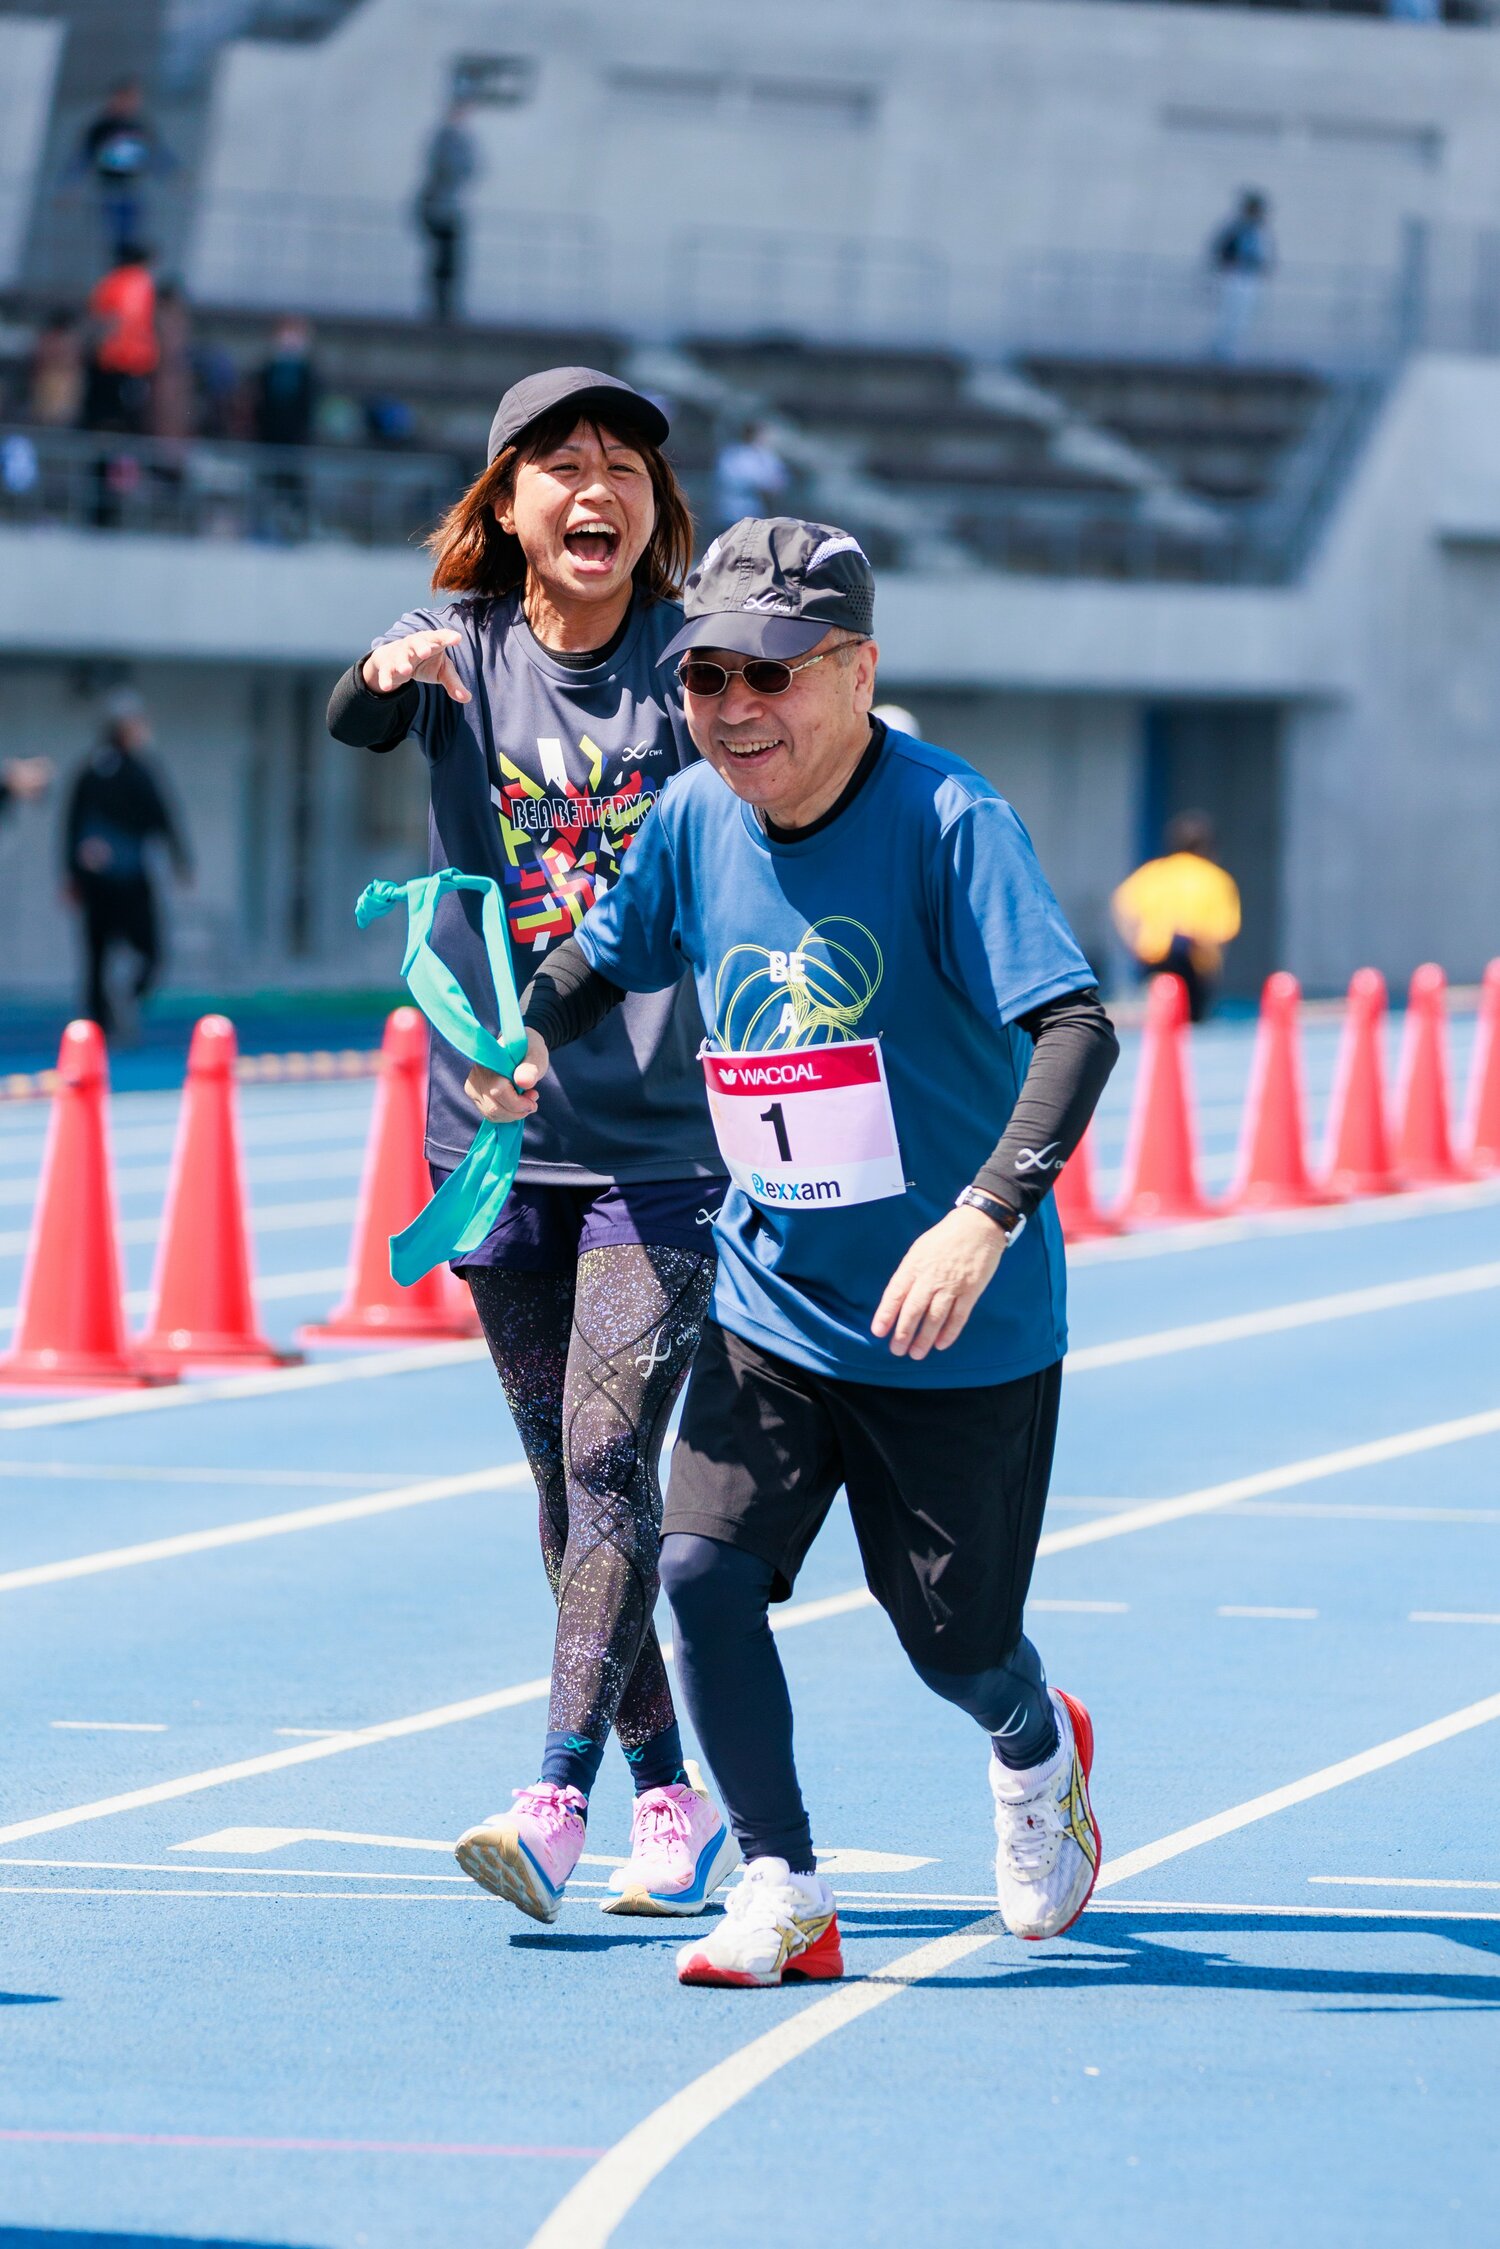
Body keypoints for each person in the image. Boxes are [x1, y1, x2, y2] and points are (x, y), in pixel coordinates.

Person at [465, 518, 1120, 1987]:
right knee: (699, 1570)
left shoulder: (951, 821)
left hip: (953, 1321)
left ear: (858, 671)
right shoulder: (694, 817)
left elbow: (1076, 1028)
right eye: (705, 676)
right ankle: (782, 1882)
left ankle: (1035, 1741)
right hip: (774, 1296)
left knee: (954, 1644)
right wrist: (528, 1032)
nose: (734, 706)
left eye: (771, 673)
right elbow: (603, 952)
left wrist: (982, 1215)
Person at [326, 367, 737, 1924]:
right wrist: (387, 663)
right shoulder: (463, 650)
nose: (595, 488)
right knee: (569, 1491)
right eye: (561, 464)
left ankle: (555, 1798)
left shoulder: (694, 668)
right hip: (495, 1138)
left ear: (654, 506)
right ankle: (672, 1795)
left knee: (610, 1454)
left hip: (663, 1139)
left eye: (623, 465)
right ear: (506, 504)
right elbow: (358, 716)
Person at [63, 689, 191, 1041]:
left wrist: (72, 873)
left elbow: (161, 816)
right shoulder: (108, 770)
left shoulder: (130, 769)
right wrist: (73, 872)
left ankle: (116, 1009)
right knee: (107, 955)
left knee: (132, 953)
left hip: (121, 879)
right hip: (114, 882)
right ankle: (99, 1027)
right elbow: (77, 824)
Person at [1111, 810, 1242, 1023]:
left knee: (1158, 1021)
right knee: (1192, 1023)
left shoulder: (1153, 872)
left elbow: (1121, 906)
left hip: (1156, 957)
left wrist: (1134, 944)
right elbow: (1224, 930)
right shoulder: (1216, 878)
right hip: (1196, 960)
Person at [68, 79, 176, 265]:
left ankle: (128, 267)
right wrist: (70, 186)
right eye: (127, 98)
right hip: (108, 189)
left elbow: (157, 154)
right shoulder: (101, 127)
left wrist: (174, 175)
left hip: (131, 189)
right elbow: (82, 158)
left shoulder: (139, 126)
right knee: (114, 237)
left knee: (132, 236)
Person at [415, 101, 480, 324]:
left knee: (451, 261)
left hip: (450, 209)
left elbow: (471, 168)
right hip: (441, 209)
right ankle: (440, 308)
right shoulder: (445, 139)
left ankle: (446, 307)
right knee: (442, 260)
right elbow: (449, 168)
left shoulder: (460, 140)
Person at [84, 245, 158, 435]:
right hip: (126, 362)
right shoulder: (138, 282)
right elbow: (113, 321)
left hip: (111, 360)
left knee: (104, 415)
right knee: (121, 418)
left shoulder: (111, 282)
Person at [1209, 190, 1274, 361]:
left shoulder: (1261, 231)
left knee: (1243, 314)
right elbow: (1221, 249)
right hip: (1234, 274)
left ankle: (1232, 348)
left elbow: (1266, 253)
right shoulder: (1235, 228)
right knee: (1229, 311)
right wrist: (1228, 264)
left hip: (1251, 276)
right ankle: (1221, 348)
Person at [714, 422, 788, 533]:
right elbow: (732, 480)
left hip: (758, 512)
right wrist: (761, 486)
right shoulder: (732, 454)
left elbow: (779, 477)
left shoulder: (765, 455)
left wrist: (773, 486)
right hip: (732, 511)